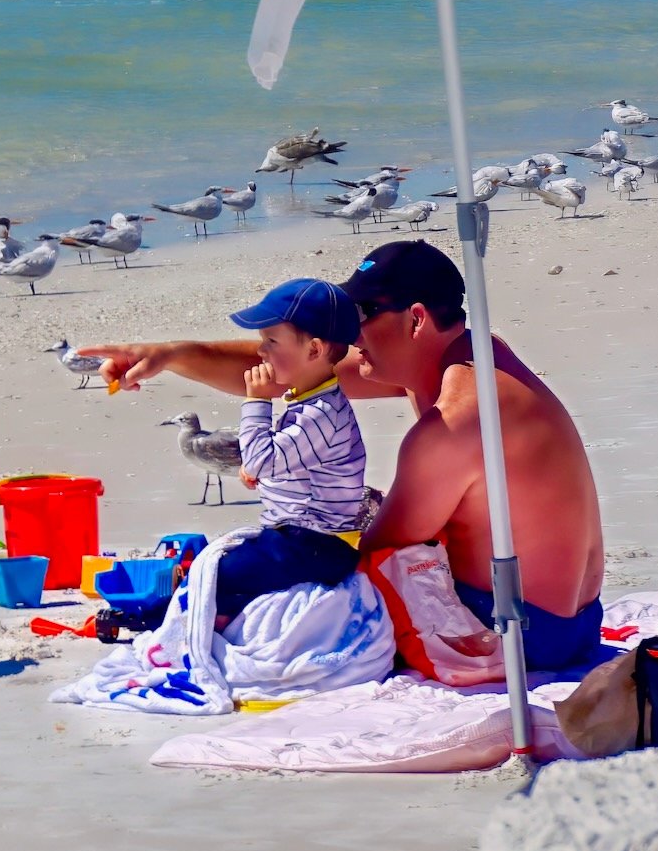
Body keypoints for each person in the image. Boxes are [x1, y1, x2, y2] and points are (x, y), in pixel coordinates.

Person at [87, 240, 604, 671]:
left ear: (416, 319)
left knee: (293, 580)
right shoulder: (476, 354)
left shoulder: (455, 420)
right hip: (573, 618)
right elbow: (290, 365)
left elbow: (371, 552)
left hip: (517, 631)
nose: (345, 336)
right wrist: (171, 355)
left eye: (359, 317)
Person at [212, 277, 367, 622]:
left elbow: (263, 458)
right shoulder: (314, 400)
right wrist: (260, 472)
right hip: (304, 536)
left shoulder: (322, 414)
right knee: (228, 566)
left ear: (313, 350)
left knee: (218, 575)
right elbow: (287, 461)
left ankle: (204, 622)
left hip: (317, 544)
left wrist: (256, 401)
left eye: (271, 341)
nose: (260, 352)